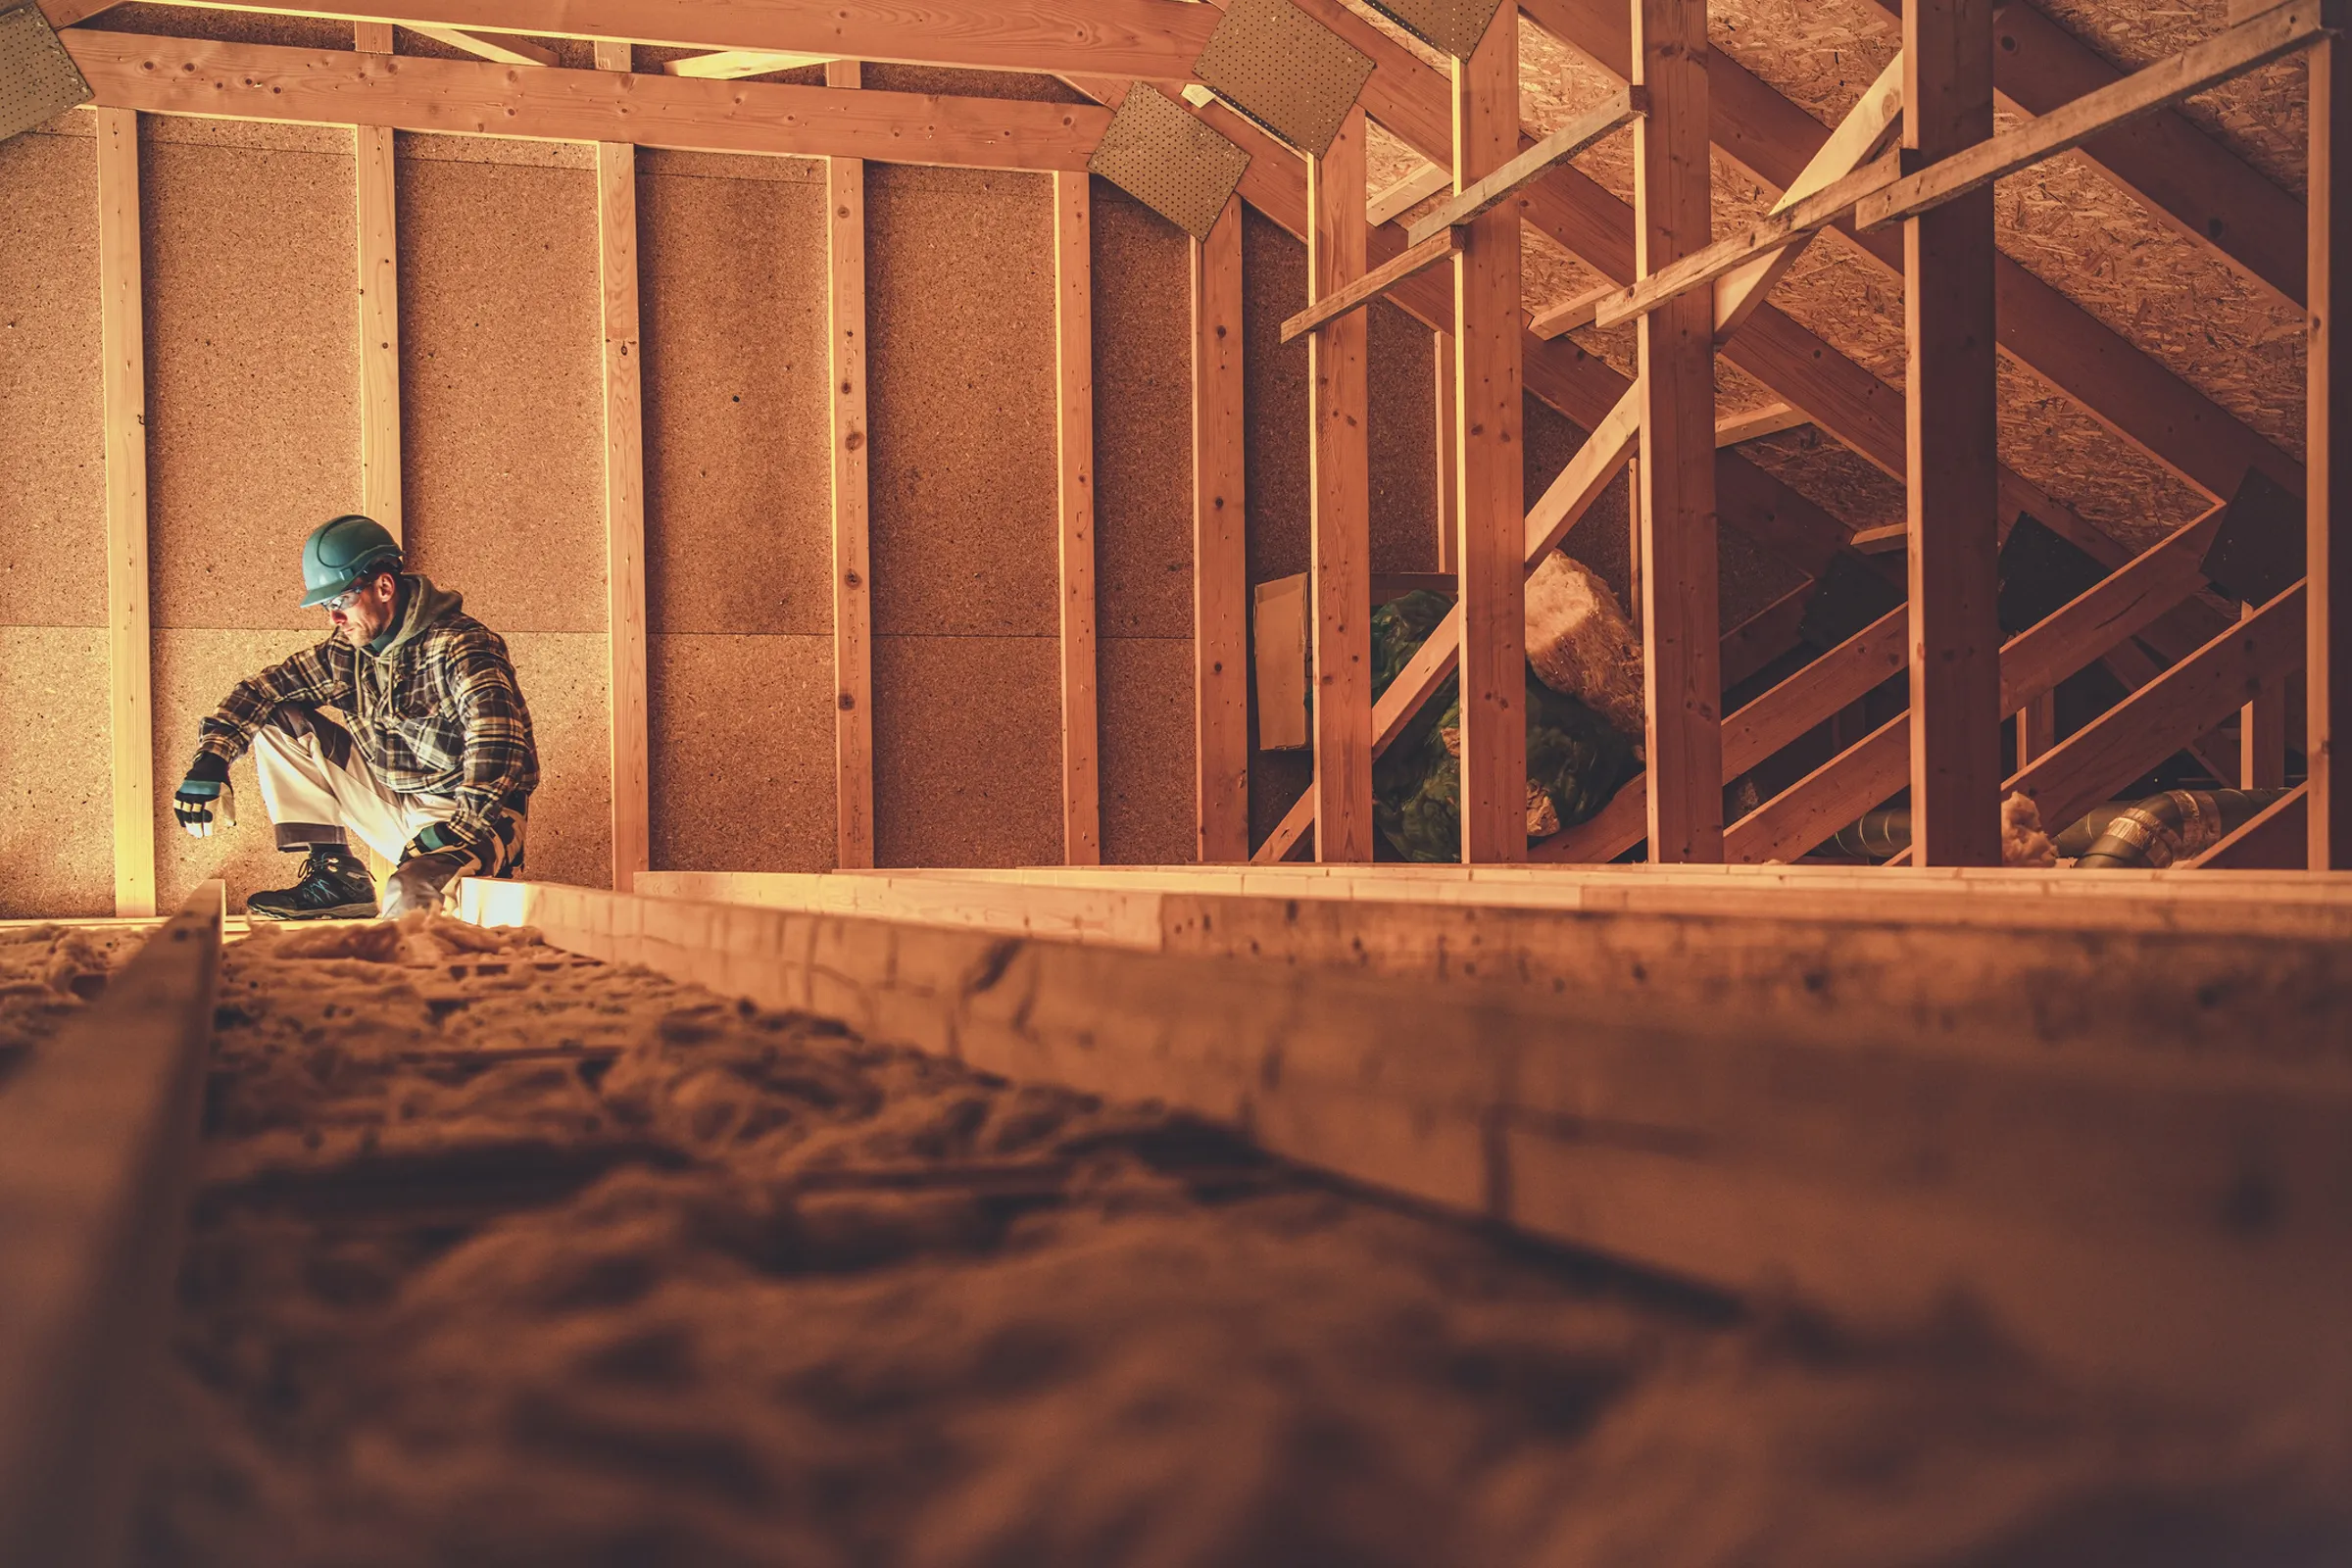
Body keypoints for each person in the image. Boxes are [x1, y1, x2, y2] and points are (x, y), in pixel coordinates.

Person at [171, 514, 539, 920]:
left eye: (341, 600)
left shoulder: (460, 646)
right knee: (275, 717)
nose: (334, 617)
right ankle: (339, 876)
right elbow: (259, 692)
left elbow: (499, 745)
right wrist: (212, 759)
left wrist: (460, 828)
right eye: (327, 605)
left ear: (383, 586)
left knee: (411, 892)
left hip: (476, 817)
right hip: (396, 802)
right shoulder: (347, 655)